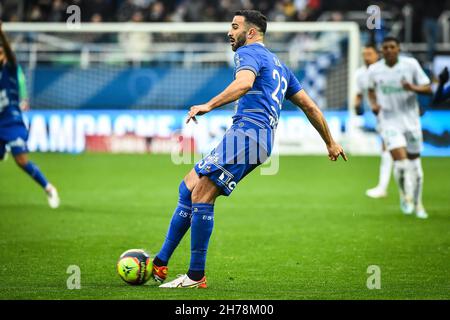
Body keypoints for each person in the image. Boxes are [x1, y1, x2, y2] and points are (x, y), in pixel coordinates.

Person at [151, 10, 347, 289]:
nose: (229, 32)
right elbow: (310, 106)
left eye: (234, 27)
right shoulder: (280, 65)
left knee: (202, 195)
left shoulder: (248, 53)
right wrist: (330, 141)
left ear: (251, 32)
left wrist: (208, 104)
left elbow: (244, 83)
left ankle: (195, 276)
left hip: (247, 134)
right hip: (256, 138)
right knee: (188, 187)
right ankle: (160, 261)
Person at [367, 36, 432, 219]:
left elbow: (429, 88)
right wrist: (373, 104)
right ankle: (405, 196)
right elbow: (371, 90)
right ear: (382, 50)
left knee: (415, 167)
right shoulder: (375, 70)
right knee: (401, 165)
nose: (388, 50)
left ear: (398, 48)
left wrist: (412, 87)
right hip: (389, 121)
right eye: (385, 47)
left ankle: (418, 203)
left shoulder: (410, 65)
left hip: (411, 122)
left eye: (392, 47)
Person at [0, 22, 59, 208]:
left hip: (12, 121)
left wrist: (1, 34)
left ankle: (49, 188)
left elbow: (10, 54)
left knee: (22, 161)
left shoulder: (10, 70)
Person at [354, 43, 393, 199]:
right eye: (364, 54)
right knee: (392, 150)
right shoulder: (360, 74)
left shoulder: (385, 71)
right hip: (380, 116)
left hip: (393, 114)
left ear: (377, 55)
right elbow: (358, 93)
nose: (366, 57)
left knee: (389, 149)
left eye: (369, 54)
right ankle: (392, 188)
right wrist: (356, 105)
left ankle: (383, 187)